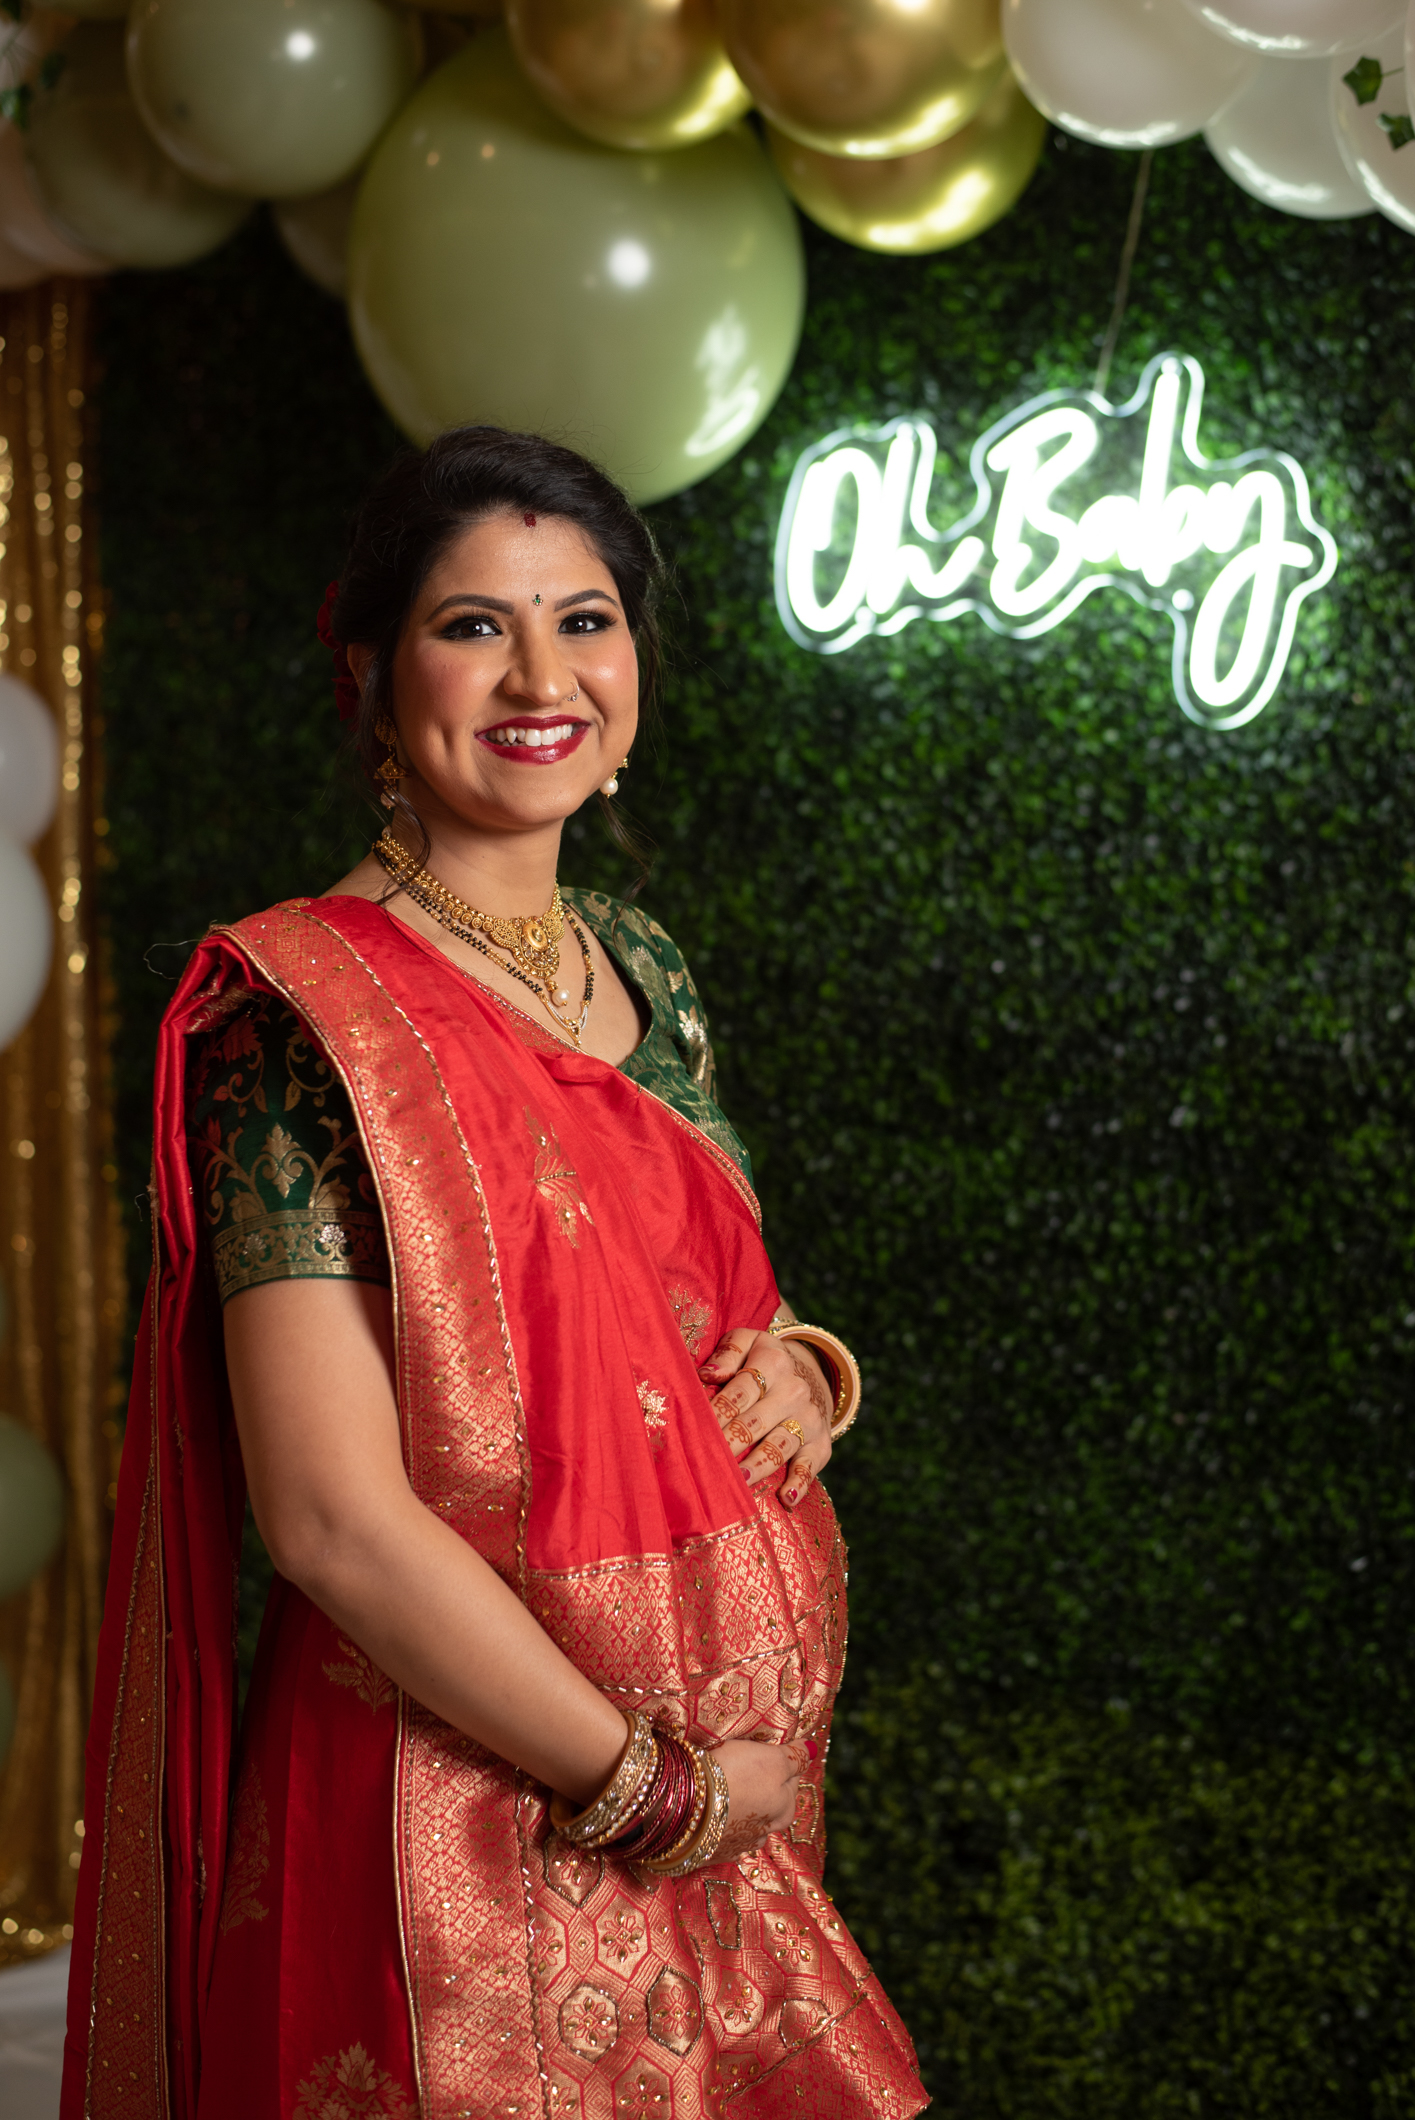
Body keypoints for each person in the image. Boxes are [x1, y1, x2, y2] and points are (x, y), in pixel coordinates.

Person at [63, 428, 927, 2120]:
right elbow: (328, 1515)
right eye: (474, 627)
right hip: (456, 1828)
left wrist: (802, 1369)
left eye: (584, 620)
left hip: (732, 1831)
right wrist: (652, 1788)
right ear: (372, 679)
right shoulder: (301, 1024)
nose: (543, 677)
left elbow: (680, 1302)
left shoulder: (643, 963)